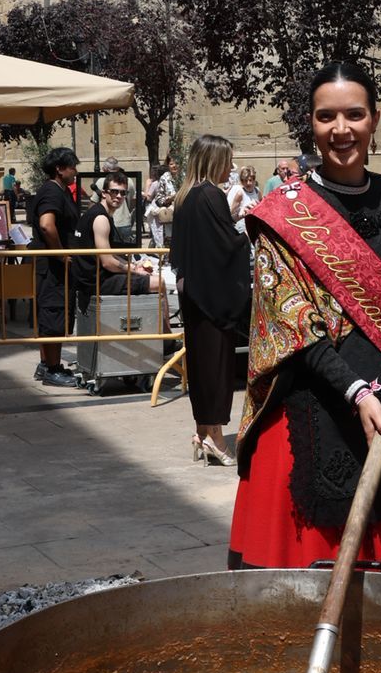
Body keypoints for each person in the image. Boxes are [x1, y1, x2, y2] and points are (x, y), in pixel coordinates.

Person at [229, 63, 381, 580]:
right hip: (315, 399)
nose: (342, 130)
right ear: (310, 125)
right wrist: (358, 394)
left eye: (355, 115)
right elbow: (289, 322)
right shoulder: (280, 213)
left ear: (375, 119)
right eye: (327, 117)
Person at [170, 136, 250, 464]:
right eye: (227, 160)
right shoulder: (211, 195)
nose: (230, 167)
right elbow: (226, 246)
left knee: (202, 366)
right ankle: (216, 437)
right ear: (214, 160)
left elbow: (201, 242)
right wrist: (249, 229)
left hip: (194, 296)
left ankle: (202, 431)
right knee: (217, 366)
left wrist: (229, 221)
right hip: (213, 298)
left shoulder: (186, 195)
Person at [72, 168, 161, 373]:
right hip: (98, 280)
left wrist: (133, 264)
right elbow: (107, 262)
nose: (119, 196)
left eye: (123, 193)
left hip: (92, 279)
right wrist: (134, 269)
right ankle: (166, 338)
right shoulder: (101, 218)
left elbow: (110, 256)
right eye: (114, 192)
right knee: (159, 283)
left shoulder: (98, 214)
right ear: (104, 192)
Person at [29, 146, 80, 388]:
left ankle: (47, 364)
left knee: (53, 314)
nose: (76, 171)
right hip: (51, 267)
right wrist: (61, 255)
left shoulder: (58, 190)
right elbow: (47, 225)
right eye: (72, 166)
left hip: (52, 266)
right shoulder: (52, 192)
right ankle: (51, 368)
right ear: (60, 169)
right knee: (54, 314)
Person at [145, 154, 179, 248]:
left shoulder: (186, 176)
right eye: (171, 163)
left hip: (185, 215)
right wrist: (169, 199)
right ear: (168, 165)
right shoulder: (164, 178)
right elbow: (158, 199)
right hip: (170, 216)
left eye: (177, 163)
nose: (174, 165)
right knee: (169, 244)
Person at [229, 163, 262, 230]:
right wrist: (241, 210)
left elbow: (261, 207)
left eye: (250, 180)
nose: (248, 183)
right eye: (245, 181)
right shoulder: (240, 193)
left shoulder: (257, 192)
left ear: (254, 180)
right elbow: (231, 211)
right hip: (242, 227)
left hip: (255, 225)